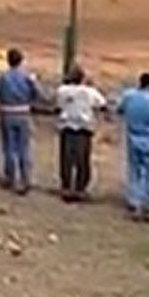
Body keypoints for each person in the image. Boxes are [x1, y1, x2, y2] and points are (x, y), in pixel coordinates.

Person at [0, 48, 41, 195]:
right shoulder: (27, 77)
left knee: (9, 147)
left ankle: (11, 177)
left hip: (6, 112)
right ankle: (25, 179)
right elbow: (38, 94)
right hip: (23, 112)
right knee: (23, 148)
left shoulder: (2, 77)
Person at [117, 72, 149, 221]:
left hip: (131, 135)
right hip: (148, 137)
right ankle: (146, 202)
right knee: (148, 171)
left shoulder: (128, 96)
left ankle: (134, 199)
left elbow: (120, 110)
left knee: (134, 169)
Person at [55, 64, 107, 202]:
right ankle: (80, 188)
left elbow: (58, 106)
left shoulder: (62, 90)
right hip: (84, 128)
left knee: (66, 159)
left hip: (67, 126)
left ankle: (66, 187)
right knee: (82, 160)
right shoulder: (90, 92)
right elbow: (102, 104)